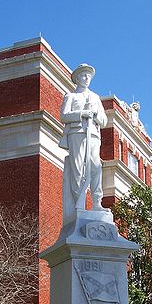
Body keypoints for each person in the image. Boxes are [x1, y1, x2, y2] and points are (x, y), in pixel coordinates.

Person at [59, 63, 108, 222]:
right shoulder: (71, 96)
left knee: (96, 167)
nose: (86, 78)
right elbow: (64, 116)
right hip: (77, 133)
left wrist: (94, 115)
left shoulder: (95, 97)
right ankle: (78, 202)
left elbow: (104, 120)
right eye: (83, 75)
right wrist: (82, 113)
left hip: (93, 134)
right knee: (77, 169)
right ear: (77, 78)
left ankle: (96, 202)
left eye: (88, 75)